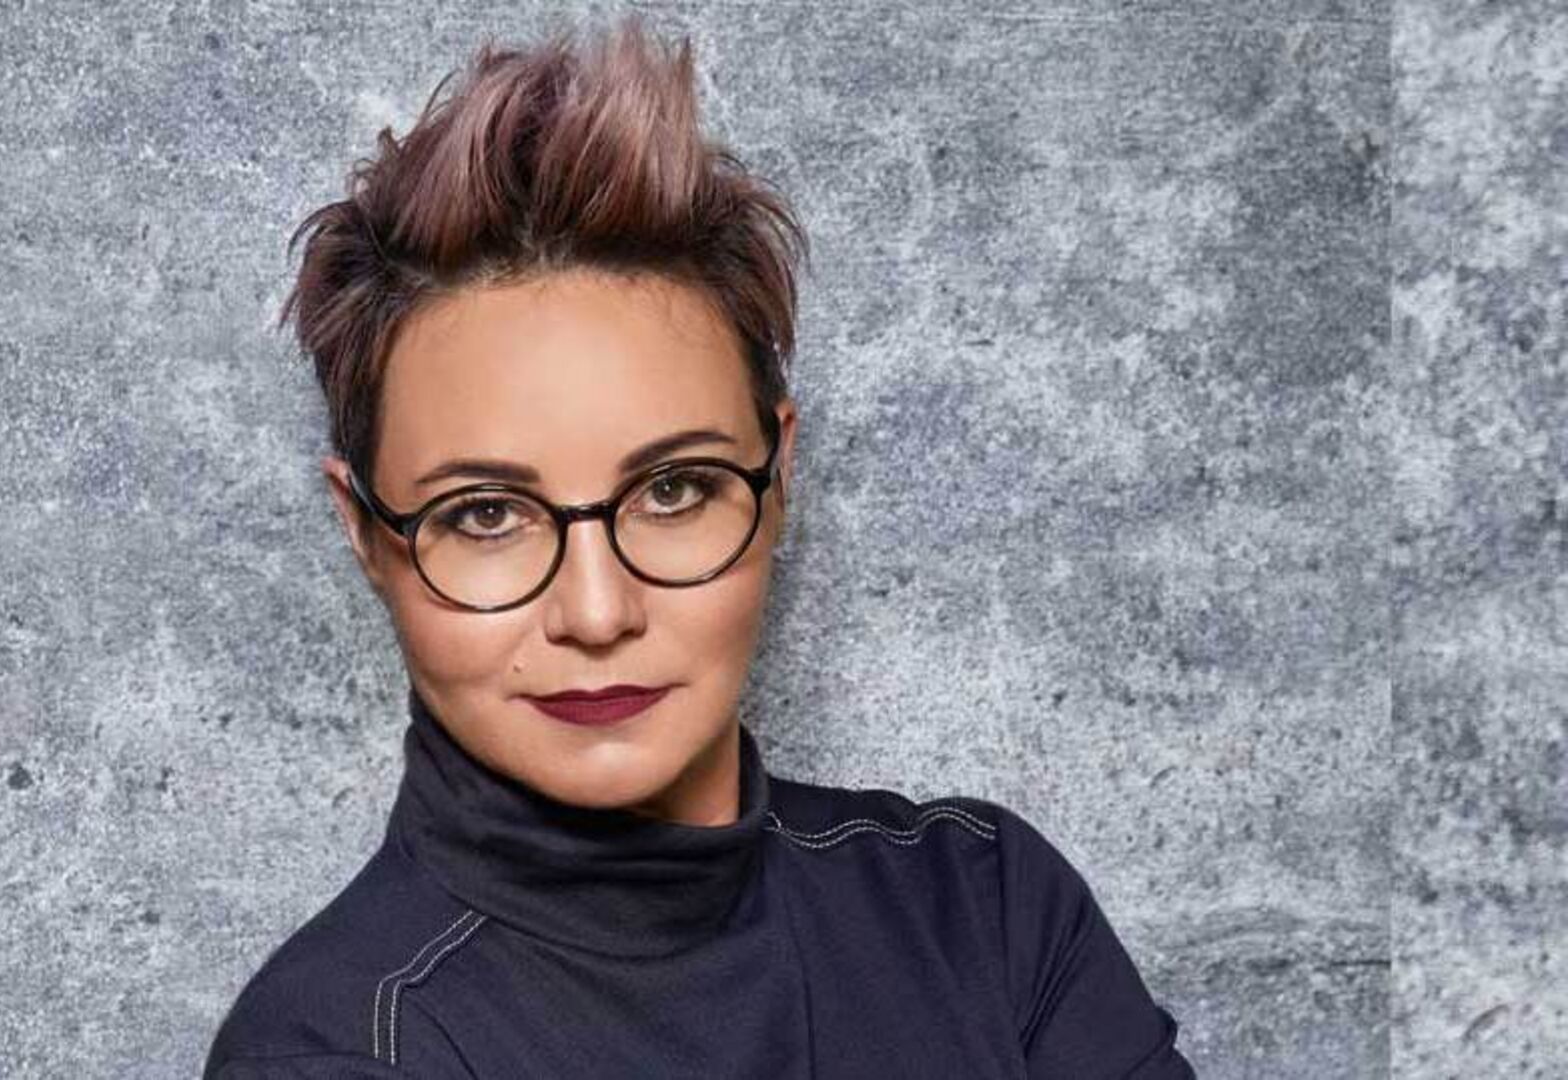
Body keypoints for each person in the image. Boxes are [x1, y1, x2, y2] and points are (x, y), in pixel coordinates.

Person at [203, 16, 1195, 1079]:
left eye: (674, 490)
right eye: (486, 513)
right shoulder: (338, 1051)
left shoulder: (984, 911)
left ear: (778, 479)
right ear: (366, 533)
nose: (597, 612)